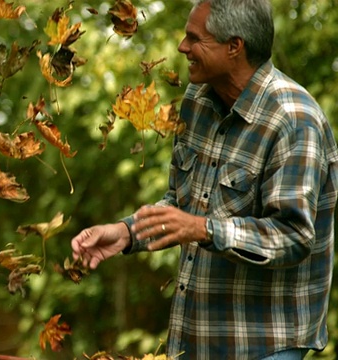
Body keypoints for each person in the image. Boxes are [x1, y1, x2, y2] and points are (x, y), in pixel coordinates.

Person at [71, 0, 337, 359]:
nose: (182, 47)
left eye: (195, 39)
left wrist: (205, 230)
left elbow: (294, 235)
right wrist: (127, 233)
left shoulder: (294, 120)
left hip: (267, 344)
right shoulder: (198, 99)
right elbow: (181, 207)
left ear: (234, 46)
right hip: (198, 338)